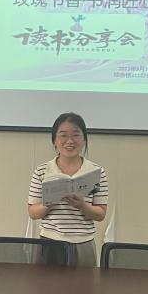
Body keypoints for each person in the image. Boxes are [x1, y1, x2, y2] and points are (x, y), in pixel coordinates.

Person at [27, 112, 109, 268]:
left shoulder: (96, 172)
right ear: (54, 141)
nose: (69, 141)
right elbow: (32, 212)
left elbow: (101, 214)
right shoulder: (42, 171)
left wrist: (82, 206)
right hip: (50, 243)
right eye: (63, 135)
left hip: (83, 243)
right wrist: (49, 203)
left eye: (76, 135)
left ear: (84, 139)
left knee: (84, 285)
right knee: (47, 284)